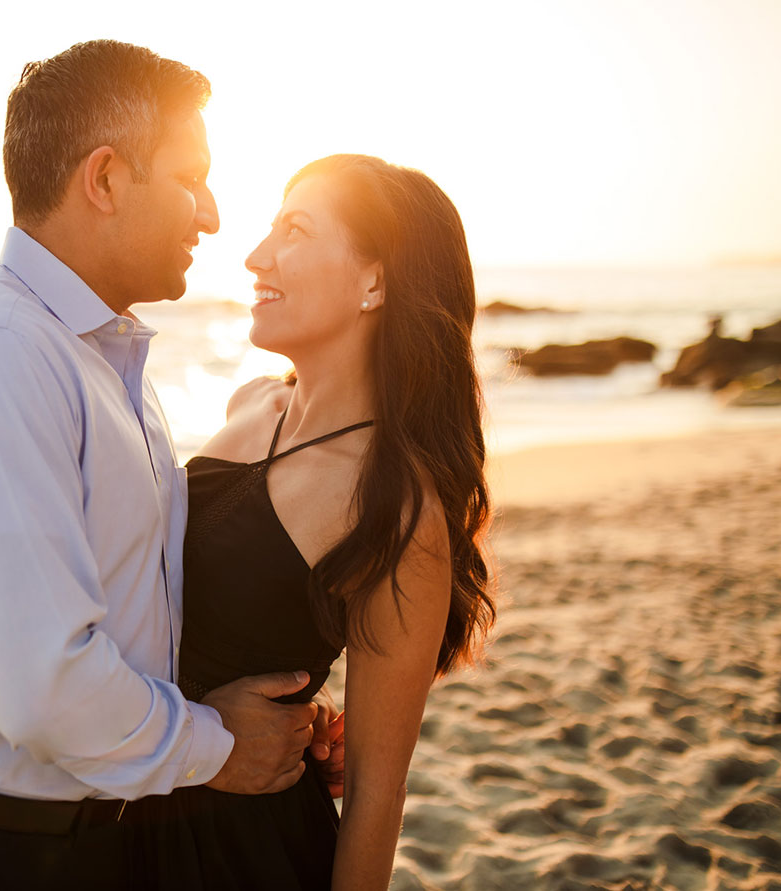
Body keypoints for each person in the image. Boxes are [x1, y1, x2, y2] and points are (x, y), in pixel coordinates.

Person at [0, 40, 339, 889]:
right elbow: (44, 684)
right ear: (105, 180)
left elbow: (137, 619)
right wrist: (217, 746)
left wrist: (271, 731)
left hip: (90, 841)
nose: (213, 214)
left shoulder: (102, 365)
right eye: (191, 178)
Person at [149, 154, 497, 888]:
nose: (255, 256)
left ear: (376, 280)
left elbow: (375, 789)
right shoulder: (252, 402)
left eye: (295, 230)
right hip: (145, 793)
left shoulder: (396, 508)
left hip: (243, 848)